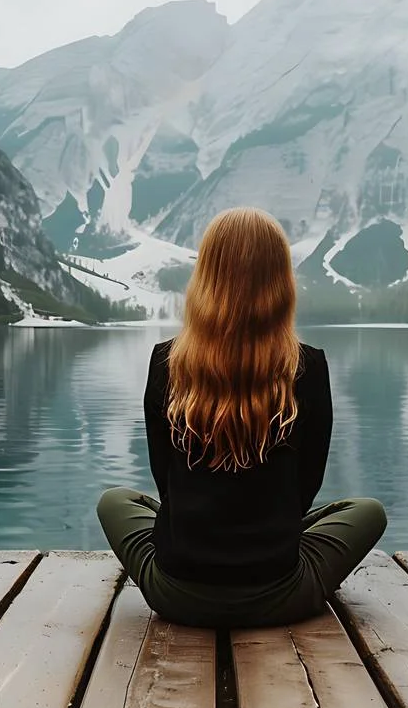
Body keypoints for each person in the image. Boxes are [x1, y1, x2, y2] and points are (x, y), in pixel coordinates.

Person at [95, 207, 387, 628]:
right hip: (280, 593)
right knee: (368, 511)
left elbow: (166, 480)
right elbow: (307, 484)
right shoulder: (309, 367)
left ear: (206, 278)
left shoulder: (165, 361)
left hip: (175, 594)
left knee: (115, 501)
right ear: (280, 282)